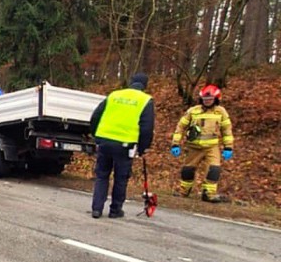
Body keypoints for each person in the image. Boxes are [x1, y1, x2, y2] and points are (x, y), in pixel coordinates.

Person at [89, 73, 156, 219]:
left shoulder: (114, 95)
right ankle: (115, 210)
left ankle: (97, 209)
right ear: (145, 85)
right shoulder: (145, 100)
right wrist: (143, 148)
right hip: (125, 145)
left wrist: (96, 135)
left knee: (102, 175)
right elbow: (146, 127)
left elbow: (95, 116)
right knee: (121, 178)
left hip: (105, 141)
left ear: (131, 82)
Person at [170, 84, 234, 203]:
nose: (207, 101)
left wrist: (228, 147)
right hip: (194, 146)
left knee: (214, 169)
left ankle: (208, 194)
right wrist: (175, 143)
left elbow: (227, 130)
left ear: (216, 99)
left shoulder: (220, 112)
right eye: (205, 99)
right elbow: (180, 127)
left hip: (211, 147)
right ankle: (183, 191)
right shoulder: (193, 111)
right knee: (188, 170)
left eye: (210, 99)